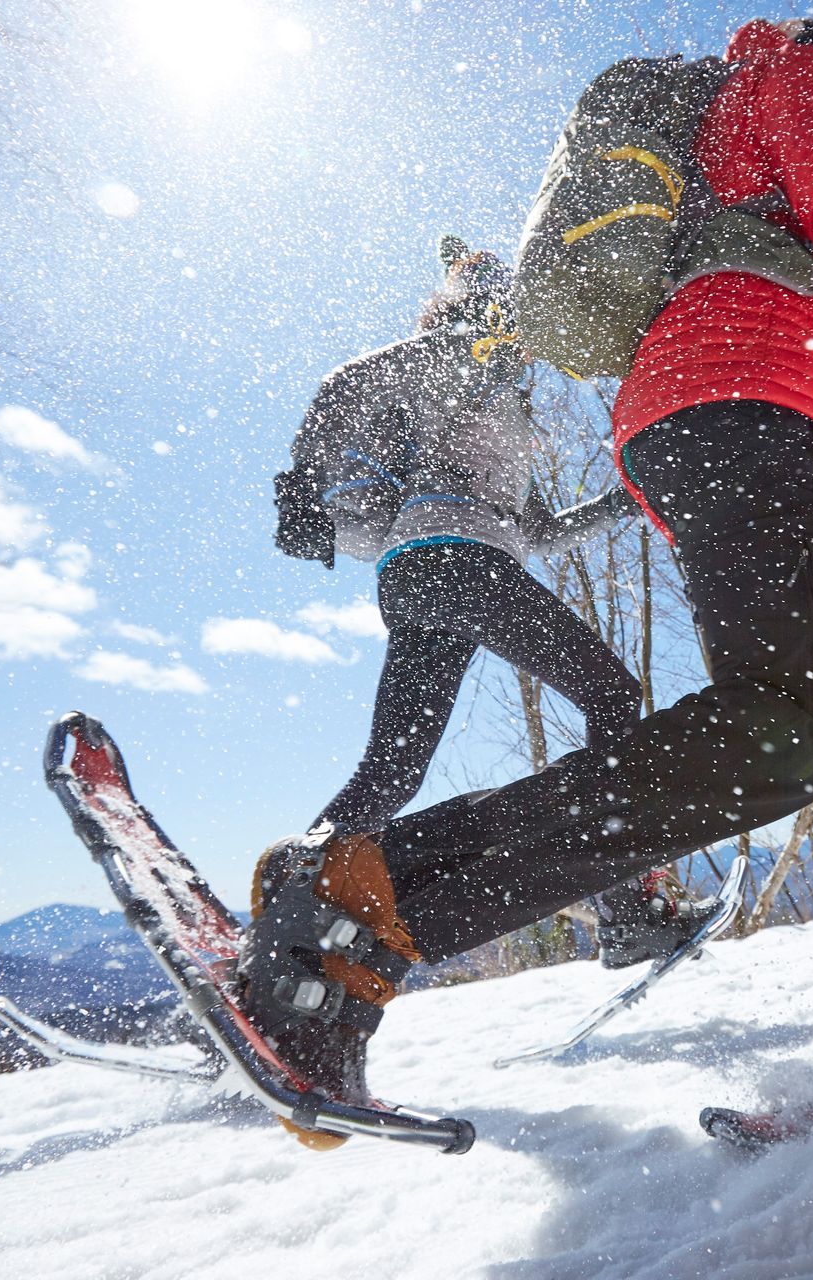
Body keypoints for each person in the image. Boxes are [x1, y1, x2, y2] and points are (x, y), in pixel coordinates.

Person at [241, 20, 813, 1134]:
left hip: (705, 410)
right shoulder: (797, 68)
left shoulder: (699, 131)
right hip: (747, 400)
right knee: (785, 725)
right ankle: (363, 901)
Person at [258, 239, 725, 1077]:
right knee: (613, 695)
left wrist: (626, 499)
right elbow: (349, 386)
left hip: (426, 575)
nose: (508, 334)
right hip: (456, 565)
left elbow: (538, 529)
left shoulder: (504, 402)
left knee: (391, 773)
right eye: (493, 311)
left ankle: (286, 928)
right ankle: (626, 905)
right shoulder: (440, 363)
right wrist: (302, 478)